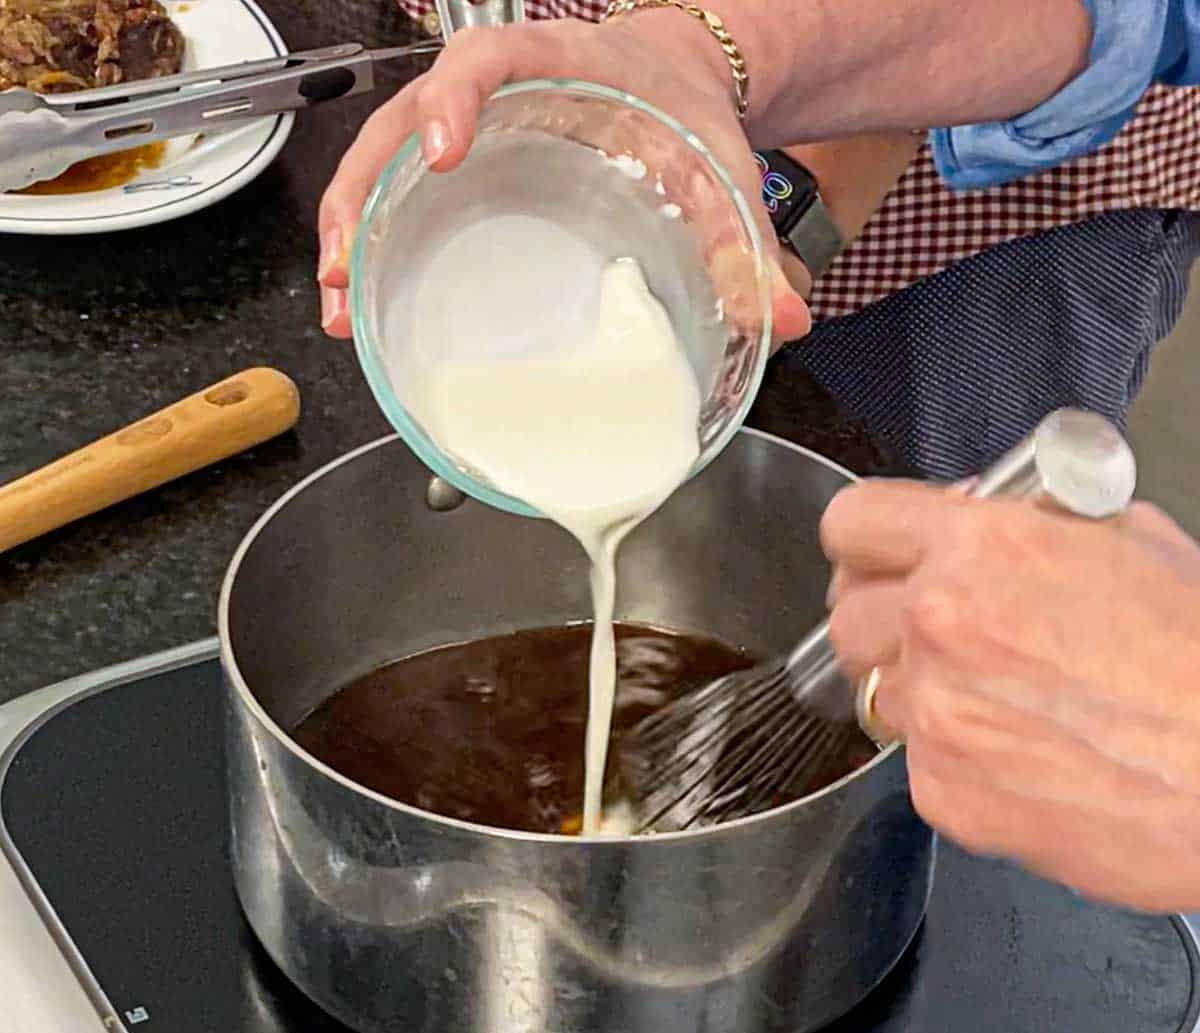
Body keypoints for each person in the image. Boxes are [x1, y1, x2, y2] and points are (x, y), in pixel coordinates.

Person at [317, 0, 1200, 912]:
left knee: (975, 711)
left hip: (968, 214)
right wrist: (681, 71)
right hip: (540, 117)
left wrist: (745, 92)